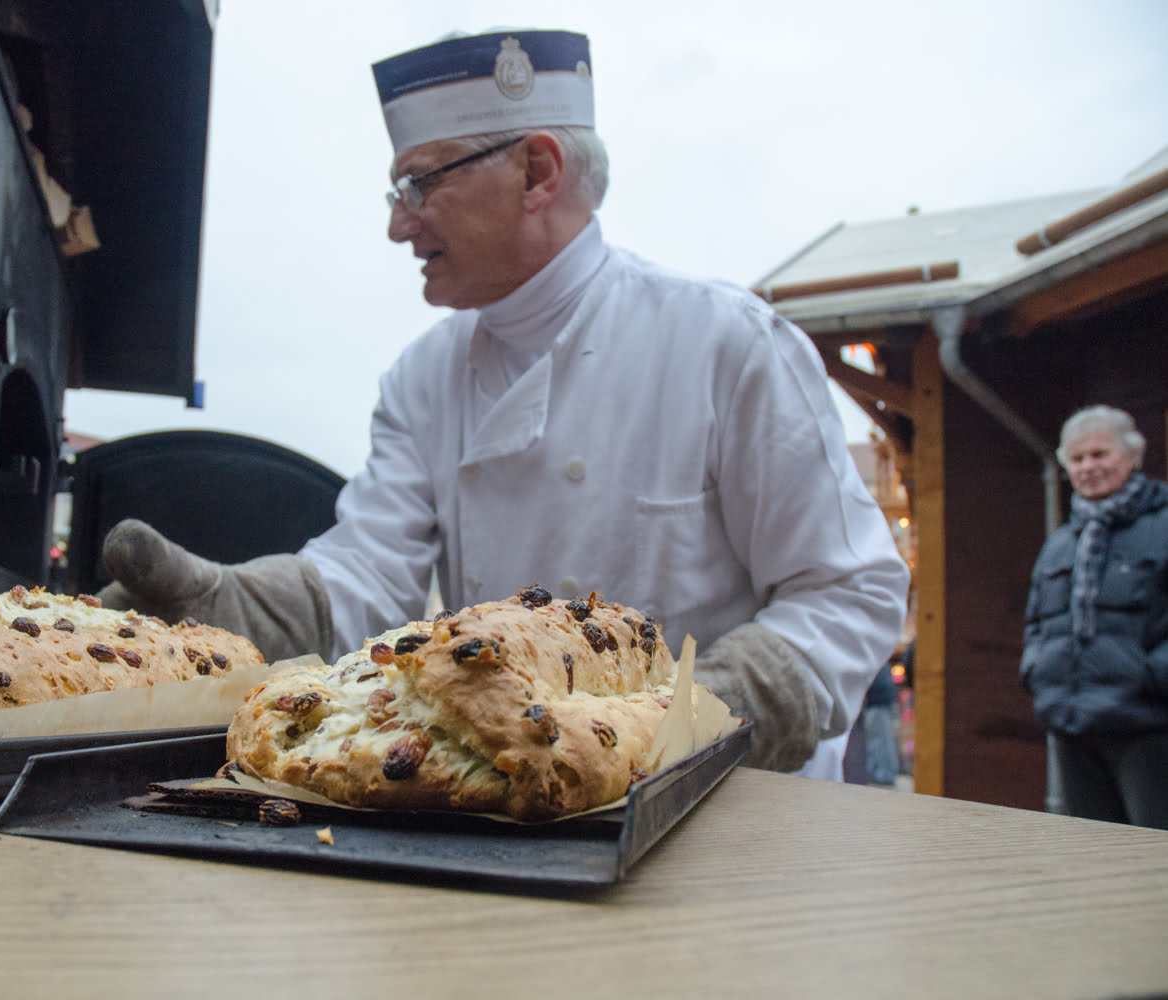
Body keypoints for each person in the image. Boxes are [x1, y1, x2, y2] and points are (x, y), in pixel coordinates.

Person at [99, 29, 909, 778]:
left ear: (537, 172)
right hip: (511, 800)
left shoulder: (724, 342)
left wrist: (705, 713)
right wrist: (232, 607)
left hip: (730, 811)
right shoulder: (425, 376)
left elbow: (851, 591)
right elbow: (366, 574)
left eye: (418, 184)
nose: (398, 226)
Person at [1021, 405, 1168, 828]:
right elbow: (1037, 623)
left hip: (1148, 727)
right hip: (1073, 725)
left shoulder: (1162, 527)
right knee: (1093, 849)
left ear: (1132, 456)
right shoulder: (1062, 542)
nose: (1089, 467)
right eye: (1078, 458)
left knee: (1152, 850)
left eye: (1100, 454)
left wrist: (1150, 678)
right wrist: (1038, 671)